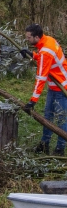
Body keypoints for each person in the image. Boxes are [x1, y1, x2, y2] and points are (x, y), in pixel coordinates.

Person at [22, 24, 67, 156]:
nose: (27, 40)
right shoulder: (48, 40)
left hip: (61, 88)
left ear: (37, 37)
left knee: (61, 119)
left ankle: (60, 148)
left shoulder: (46, 51)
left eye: (29, 37)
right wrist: (33, 55)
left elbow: (41, 78)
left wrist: (32, 101)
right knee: (48, 117)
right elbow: (45, 59)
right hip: (55, 86)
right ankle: (44, 144)